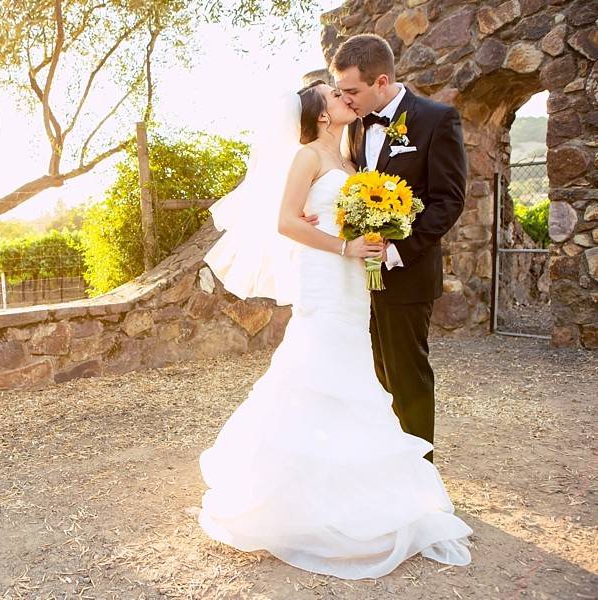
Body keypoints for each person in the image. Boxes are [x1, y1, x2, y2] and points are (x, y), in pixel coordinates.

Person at [196, 72, 473, 579]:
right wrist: (347, 246)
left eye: (347, 92)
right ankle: (296, 496)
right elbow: (286, 222)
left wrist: (376, 233)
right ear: (321, 113)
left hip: (353, 283)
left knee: (356, 373)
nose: (345, 99)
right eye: (335, 96)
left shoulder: (350, 156)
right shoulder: (308, 156)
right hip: (326, 277)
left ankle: (356, 485)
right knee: (320, 369)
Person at [331, 34, 467, 464]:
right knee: (373, 377)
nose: (345, 99)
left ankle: (418, 477)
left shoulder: (436, 119)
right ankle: (386, 469)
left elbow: (449, 200)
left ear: (382, 80)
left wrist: (395, 250)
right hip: (356, 279)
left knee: (406, 377)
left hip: (407, 274)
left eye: (352, 91)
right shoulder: (353, 124)